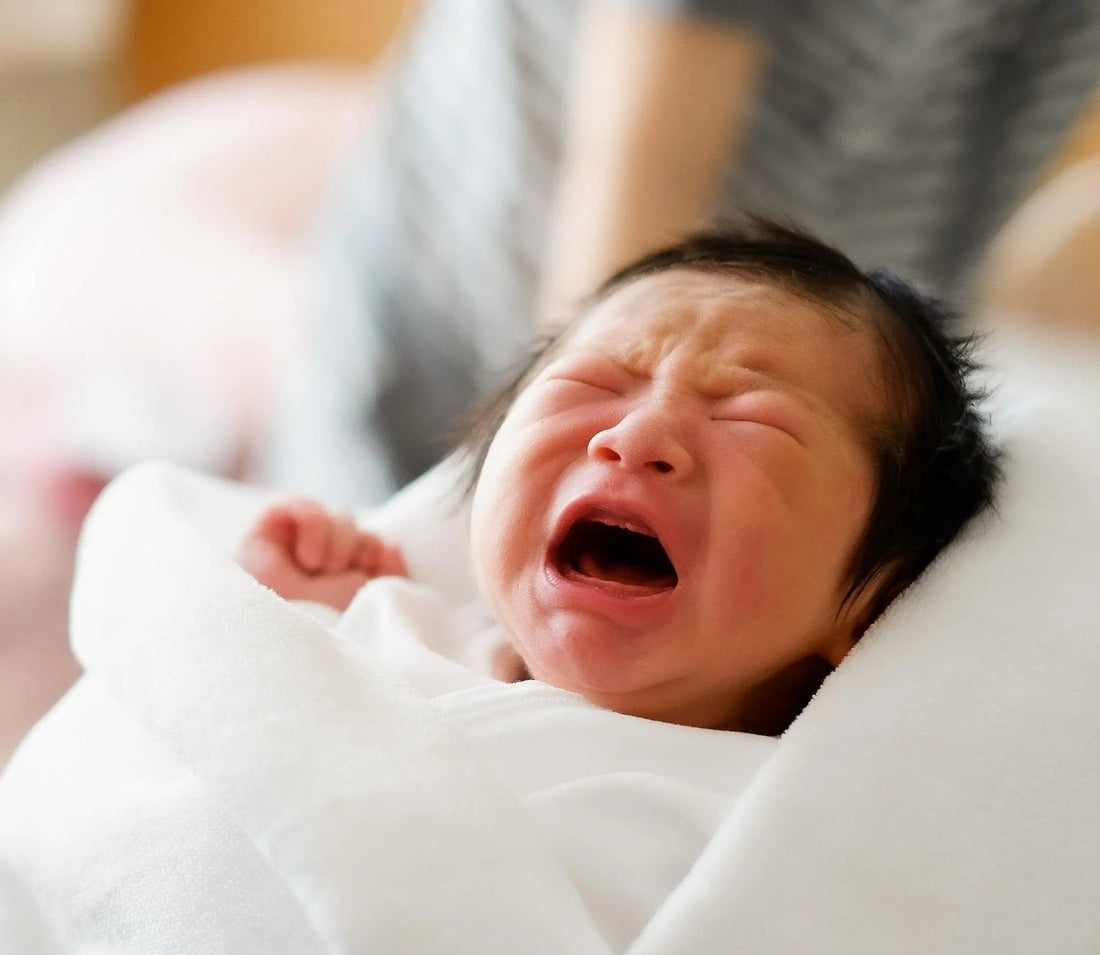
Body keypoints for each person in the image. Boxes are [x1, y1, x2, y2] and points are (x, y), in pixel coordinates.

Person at [264, 0, 1097, 506]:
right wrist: (556, 464)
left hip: (819, 305)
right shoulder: (609, 396)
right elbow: (635, 173)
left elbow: (982, 178)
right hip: (506, 289)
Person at [243, 222, 1001, 734]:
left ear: (875, 600)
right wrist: (293, 612)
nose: (634, 438)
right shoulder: (398, 637)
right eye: (594, 384)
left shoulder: (785, 824)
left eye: (752, 419)